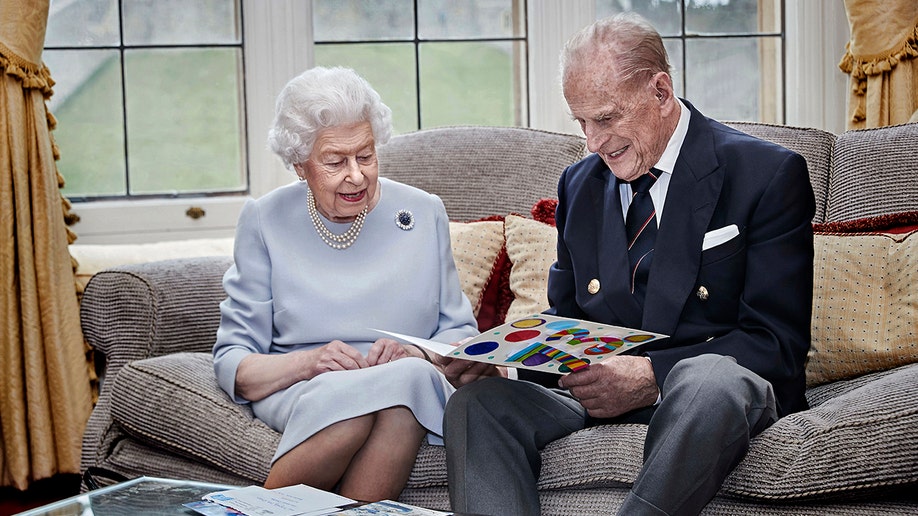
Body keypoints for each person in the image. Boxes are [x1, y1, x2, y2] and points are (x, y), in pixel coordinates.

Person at [441, 12, 815, 516]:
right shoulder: (579, 184)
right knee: (477, 406)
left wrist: (651, 374)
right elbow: (569, 320)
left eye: (607, 118)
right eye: (581, 122)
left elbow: (777, 345)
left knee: (710, 380)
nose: (593, 142)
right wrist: (505, 361)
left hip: (705, 397)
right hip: (597, 395)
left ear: (661, 92)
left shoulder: (766, 174)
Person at [212, 66, 484, 502]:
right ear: (300, 165)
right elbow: (234, 362)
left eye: (366, 155)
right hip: (301, 384)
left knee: (404, 389)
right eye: (335, 161)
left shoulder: (423, 211)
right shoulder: (265, 219)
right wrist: (311, 362)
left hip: (404, 379)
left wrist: (414, 351)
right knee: (366, 406)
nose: (356, 175)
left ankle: (255, 510)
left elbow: (460, 335)